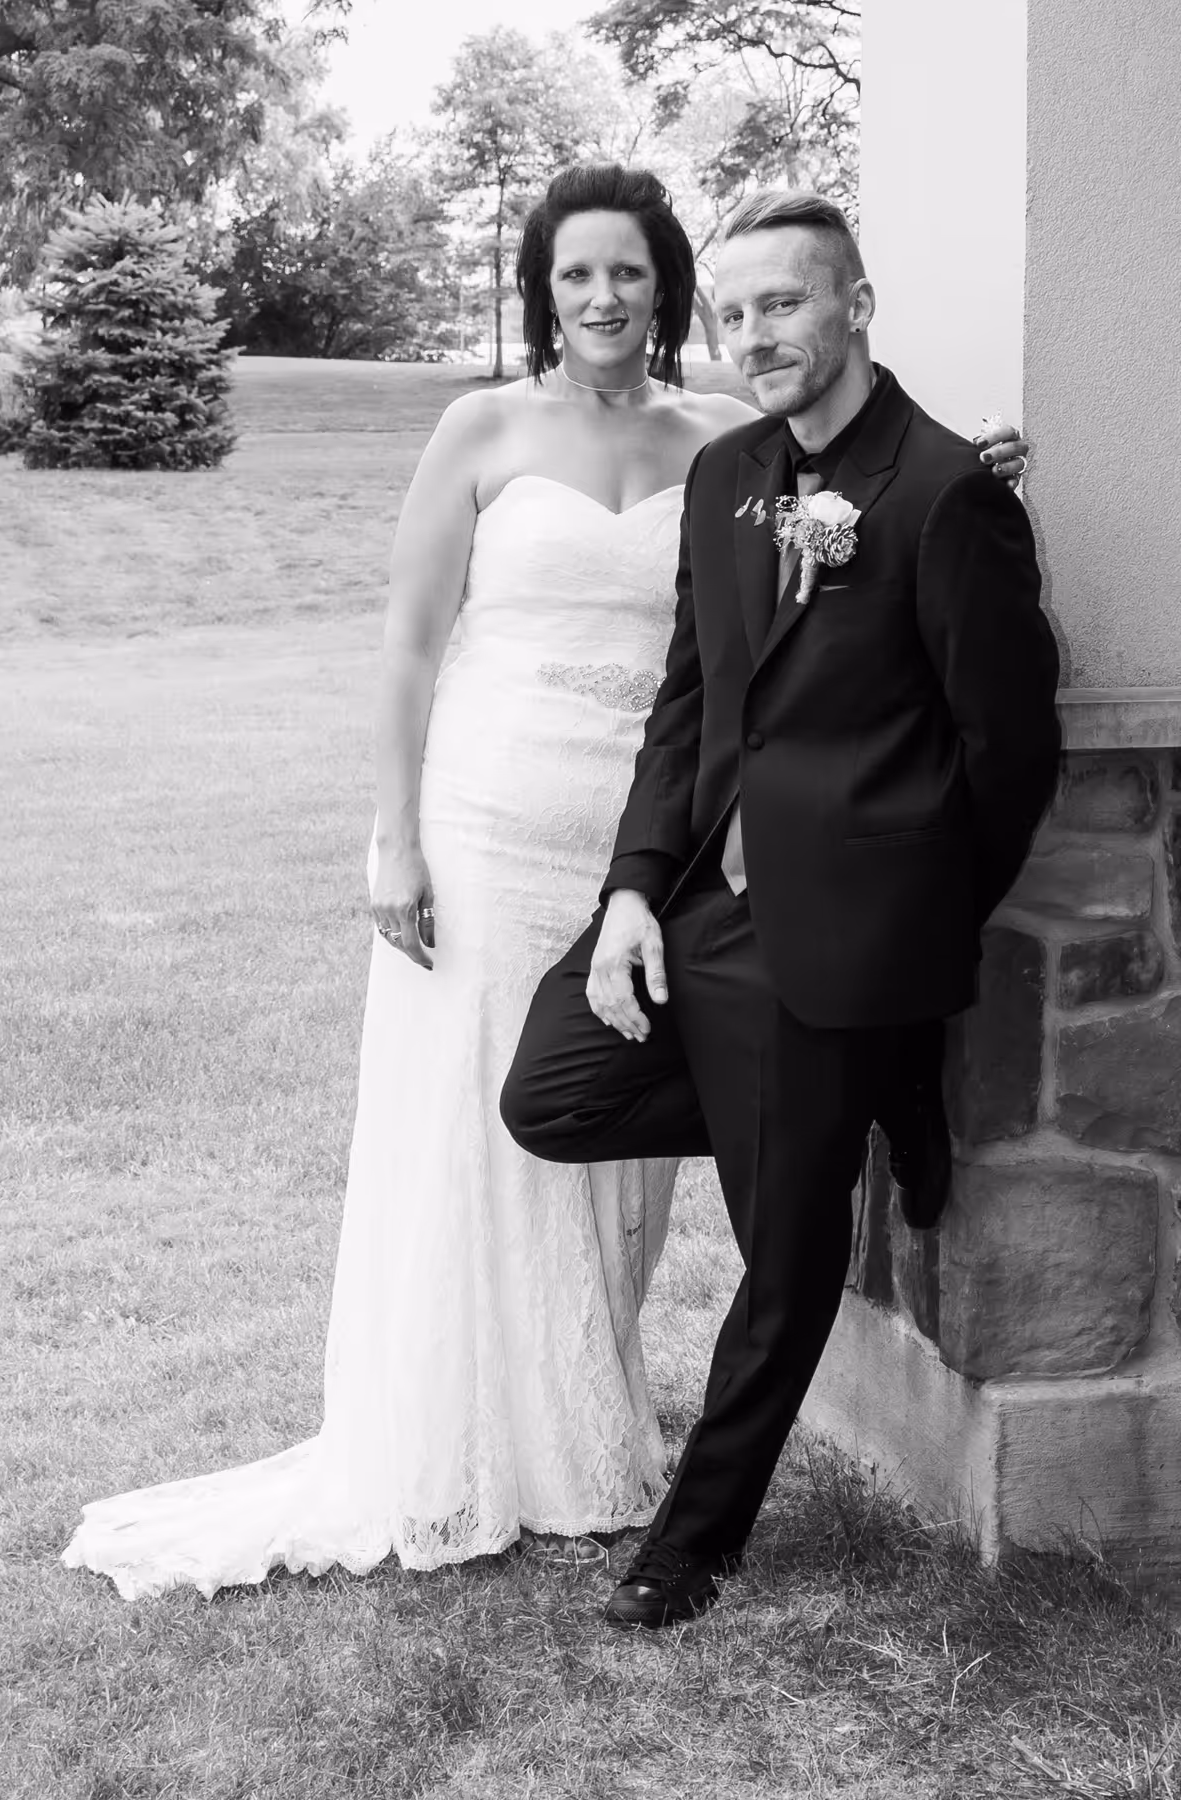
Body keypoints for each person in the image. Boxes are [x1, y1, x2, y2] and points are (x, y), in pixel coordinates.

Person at [62, 168, 1028, 1600]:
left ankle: (628, 1438)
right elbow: (415, 646)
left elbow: (859, 467)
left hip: (665, 848)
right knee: (502, 1112)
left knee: (671, 1159)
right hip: (514, 823)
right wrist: (395, 836)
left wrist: (967, 466)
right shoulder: (500, 430)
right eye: (574, 275)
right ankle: (466, 1422)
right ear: (541, 289)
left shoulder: (731, 436)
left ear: (665, 287)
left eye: (630, 273)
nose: (602, 298)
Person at [500, 188, 1061, 1630]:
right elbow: (692, 703)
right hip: (708, 911)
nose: (756, 334)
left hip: (851, 931)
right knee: (549, 1093)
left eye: (787, 304)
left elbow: (1012, 753)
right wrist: (632, 889)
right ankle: (870, 1087)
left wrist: (915, 928)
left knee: (787, 1257)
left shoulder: (948, 494)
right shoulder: (730, 474)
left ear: (857, 306)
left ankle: (692, 1547)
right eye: (736, 311)